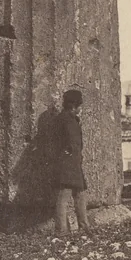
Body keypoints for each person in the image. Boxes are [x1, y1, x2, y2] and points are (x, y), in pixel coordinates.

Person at [54, 89, 92, 236]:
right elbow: (71, 142)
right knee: (65, 195)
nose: (81, 108)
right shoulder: (67, 120)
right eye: (79, 105)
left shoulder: (67, 118)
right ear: (74, 105)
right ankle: (61, 231)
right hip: (69, 163)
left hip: (73, 162)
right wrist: (68, 153)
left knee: (80, 193)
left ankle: (84, 227)